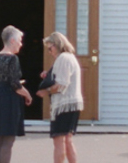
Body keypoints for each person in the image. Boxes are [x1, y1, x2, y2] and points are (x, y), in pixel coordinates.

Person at [0, 26, 31, 163]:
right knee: (8, 141)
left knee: (0, 140)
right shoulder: (13, 59)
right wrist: (27, 94)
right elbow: (15, 85)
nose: (21, 44)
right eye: (20, 41)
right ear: (12, 40)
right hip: (9, 101)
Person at [37, 33, 83, 163]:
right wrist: (48, 75)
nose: (49, 51)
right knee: (68, 140)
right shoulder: (69, 57)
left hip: (64, 104)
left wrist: (46, 90)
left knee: (59, 141)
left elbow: (62, 84)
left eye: (50, 48)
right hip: (73, 103)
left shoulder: (63, 58)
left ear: (57, 45)